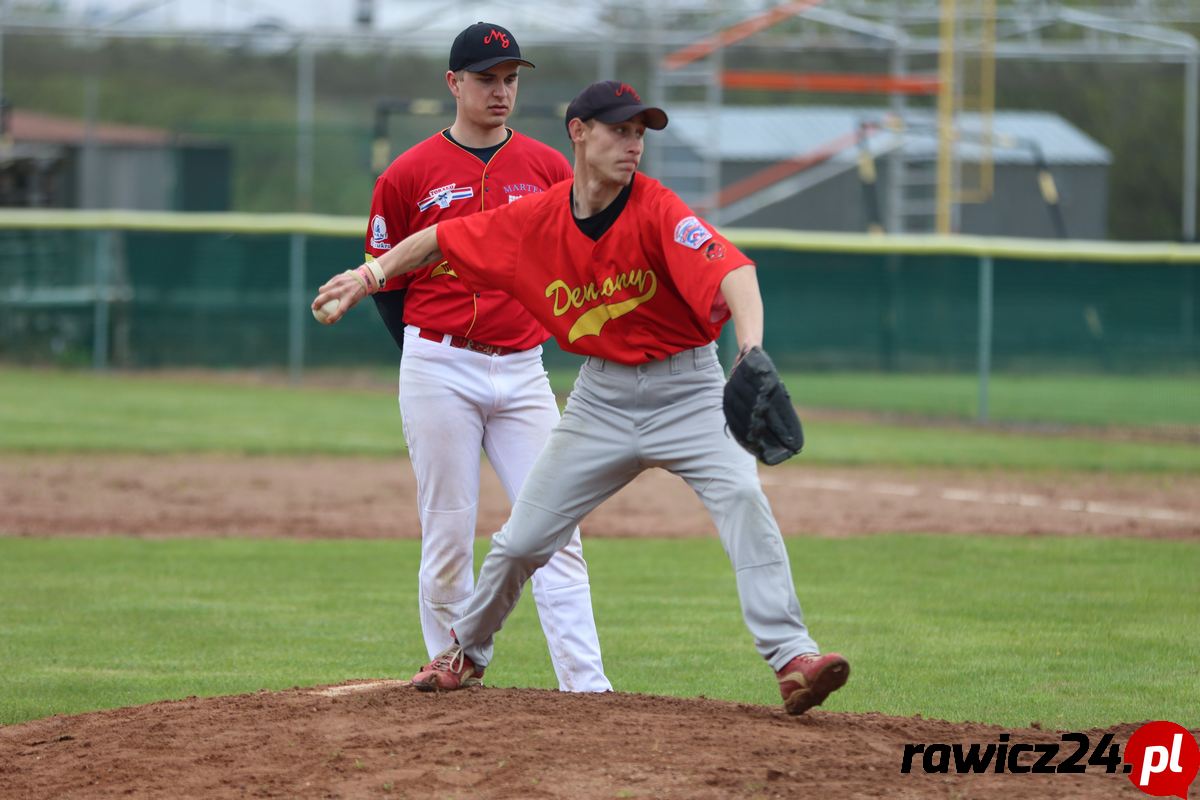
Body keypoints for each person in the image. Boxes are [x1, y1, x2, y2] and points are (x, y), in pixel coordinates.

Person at [316, 79, 849, 715]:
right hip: (602, 399)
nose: (633, 144)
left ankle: (792, 659)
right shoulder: (536, 219)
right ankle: (462, 650)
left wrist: (751, 351)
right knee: (521, 542)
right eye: (619, 130)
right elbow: (441, 238)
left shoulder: (656, 209)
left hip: (689, 388)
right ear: (580, 131)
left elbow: (734, 270)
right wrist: (368, 275)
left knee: (741, 496)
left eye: (640, 133)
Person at [362, 22, 610, 693]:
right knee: (448, 533)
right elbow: (385, 280)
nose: (500, 91)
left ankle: (587, 688)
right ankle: (453, 665)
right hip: (438, 365)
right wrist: (425, 355)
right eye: (485, 79)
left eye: (510, 79)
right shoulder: (407, 174)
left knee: (556, 528)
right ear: (454, 83)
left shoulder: (547, 168)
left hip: (524, 369)